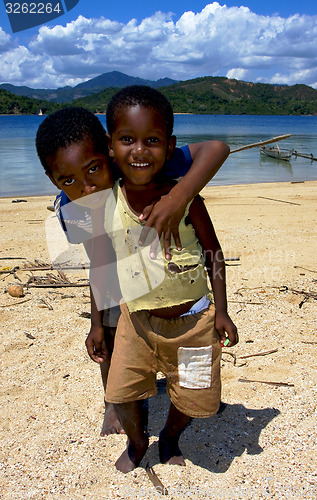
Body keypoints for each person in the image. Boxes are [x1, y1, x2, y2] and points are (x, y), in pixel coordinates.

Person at [35, 105, 231, 437]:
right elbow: (100, 268)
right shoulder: (76, 208)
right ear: (54, 180)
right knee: (113, 314)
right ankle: (114, 403)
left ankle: (181, 385)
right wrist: (96, 322)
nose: (87, 187)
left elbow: (217, 148)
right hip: (103, 245)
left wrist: (178, 197)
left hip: (138, 235)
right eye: (68, 180)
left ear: (109, 153)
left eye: (94, 169)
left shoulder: (134, 163)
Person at [98, 85, 238, 473]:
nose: (139, 151)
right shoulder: (108, 202)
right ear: (110, 145)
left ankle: (172, 437)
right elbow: (102, 268)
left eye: (152, 141)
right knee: (121, 393)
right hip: (136, 322)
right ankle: (137, 438)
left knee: (192, 396)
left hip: (194, 322)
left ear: (170, 145)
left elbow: (214, 255)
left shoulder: (186, 198)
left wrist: (223, 311)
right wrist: (97, 324)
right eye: (127, 139)